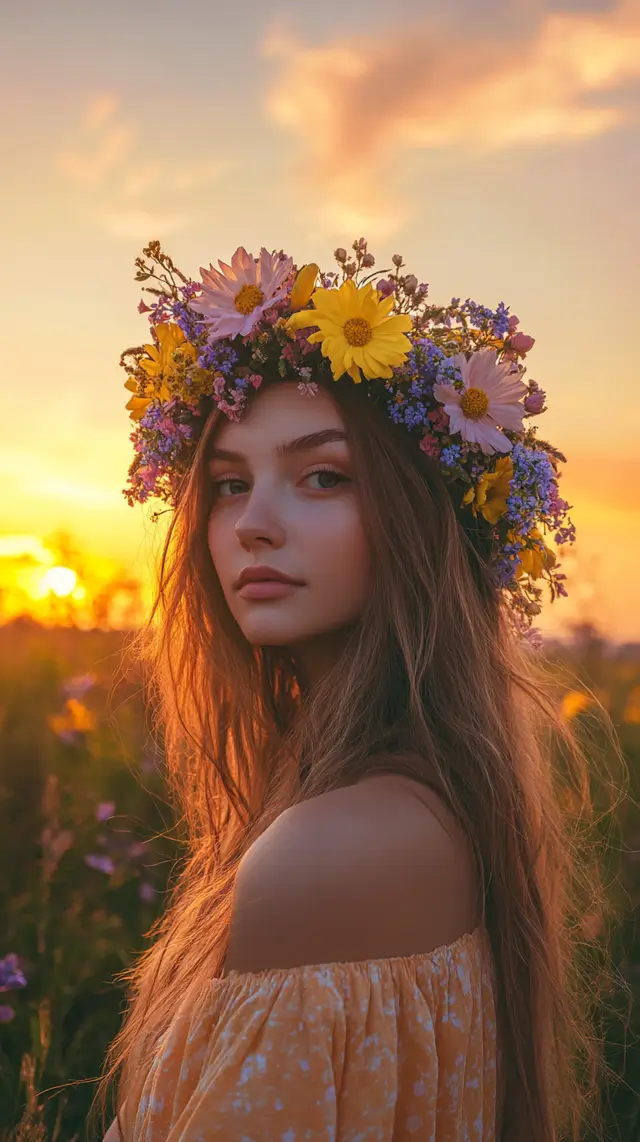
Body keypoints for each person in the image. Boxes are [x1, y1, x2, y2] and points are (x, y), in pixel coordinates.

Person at [95, 239, 620, 1141]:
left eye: (323, 476)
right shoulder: (391, 798)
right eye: (226, 484)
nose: (253, 525)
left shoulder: (341, 846)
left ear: (418, 520)